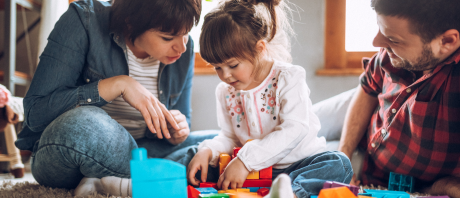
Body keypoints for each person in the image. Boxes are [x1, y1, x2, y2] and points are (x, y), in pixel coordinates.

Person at [14, 0, 217, 196]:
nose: (181, 47)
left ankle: (114, 183)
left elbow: (182, 121)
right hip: (75, 148)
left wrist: (177, 131)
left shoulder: (185, 49)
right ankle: (158, 176)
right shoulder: (85, 19)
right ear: (132, 21)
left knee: (219, 144)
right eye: (167, 37)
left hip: (143, 150)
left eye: (186, 33)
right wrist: (119, 84)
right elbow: (36, 112)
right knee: (85, 124)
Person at [184, 0, 353, 197]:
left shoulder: (288, 77)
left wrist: (246, 161)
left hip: (298, 165)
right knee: (197, 159)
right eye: (217, 67)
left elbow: (295, 128)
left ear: (260, 48)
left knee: (339, 163)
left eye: (233, 65)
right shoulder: (225, 91)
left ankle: (290, 192)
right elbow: (229, 137)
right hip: (254, 172)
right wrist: (208, 151)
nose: (225, 75)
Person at [334, 0, 460, 196]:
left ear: (447, 42)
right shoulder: (393, 52)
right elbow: (368, 90)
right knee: (304, 141)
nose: (376, 43)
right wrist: (343, 159)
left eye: (393, 39)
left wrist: (440, 187)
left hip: (415, 186)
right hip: (363, 144)